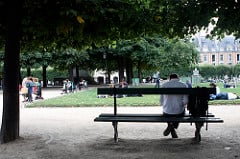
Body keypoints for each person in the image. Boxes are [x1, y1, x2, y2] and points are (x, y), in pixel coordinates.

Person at [160, 73, 188, 138]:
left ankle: (171, 126)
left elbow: (161, 101)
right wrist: (181, 105)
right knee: (180, 113)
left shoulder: (164, 85)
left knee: (167, 113)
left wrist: (165, 106)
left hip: (167, 112)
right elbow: (186, 101)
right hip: (179, 112)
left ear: (170, 78)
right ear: (178, 78)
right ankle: (173, 126)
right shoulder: (183, 85)